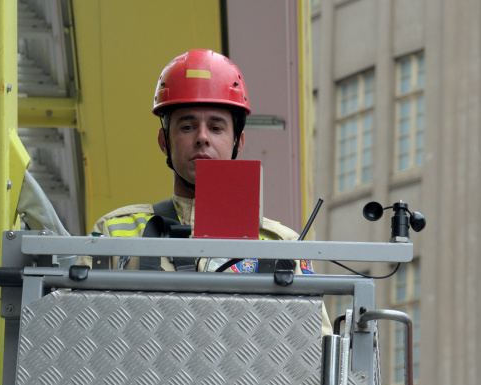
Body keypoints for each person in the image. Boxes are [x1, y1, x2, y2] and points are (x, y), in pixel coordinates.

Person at [85, 48, 316, 274]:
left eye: (216, 128)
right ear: (164, 141)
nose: (202, 137)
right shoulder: (112, 233)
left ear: (238, 142)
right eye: (187, 127)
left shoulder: (283, 247)